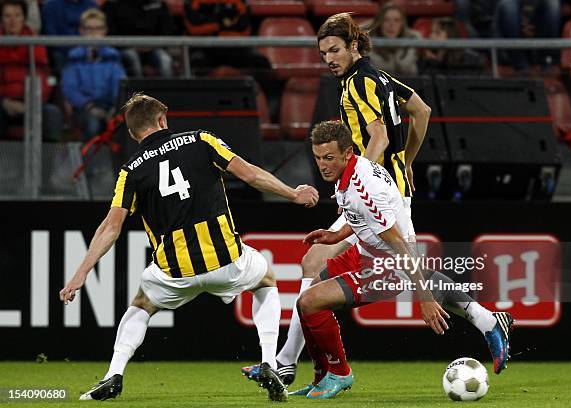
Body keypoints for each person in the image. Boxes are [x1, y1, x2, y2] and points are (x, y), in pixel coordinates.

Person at [59, 93, 320, 401]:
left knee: (141, 304)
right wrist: (293, 193)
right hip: (227, 260)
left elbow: (110, 228)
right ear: (162, 120)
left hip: (174, 272)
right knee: (266, 282)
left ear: (131, 133)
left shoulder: (130, 172)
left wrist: (80, 274)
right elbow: (249, 174)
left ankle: (113, 374)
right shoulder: (201, 140)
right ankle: (268, 362)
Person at [242, 11, 431, 386]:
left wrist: (359, 178)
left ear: (354, 46)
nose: (329, 59)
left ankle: (483, 317)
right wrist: (406, 161)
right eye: (323, 53)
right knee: (321, 260)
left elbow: (378, 136)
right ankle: (285, 362)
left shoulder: (357, 83)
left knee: (400, 266)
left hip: (375, 197)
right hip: (389, 191)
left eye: (334, 50)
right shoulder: (380, 77)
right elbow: (421, 111)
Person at [293, 120, 513, 398]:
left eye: (329, 158)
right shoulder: (349, 171)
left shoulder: (363, 187)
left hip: (389, 264)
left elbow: (398, 244)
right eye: (318, 158)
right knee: (308, 299)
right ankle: (322, 376)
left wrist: (424, 298)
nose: (323, 165)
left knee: (309, 301)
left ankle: (339, 373)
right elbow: (363, 217)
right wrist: (335, 236)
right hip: (367, 252)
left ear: (347, 153)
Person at [0, 0, 62, 142]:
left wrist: (31, 102)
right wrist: (4, 101)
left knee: (52, 114)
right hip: (4, 102)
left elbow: (45, 78)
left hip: (32, 100)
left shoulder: (35, 43)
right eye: (7, 16)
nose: (12, 21)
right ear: (1, 19)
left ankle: (46, 163)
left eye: (17, 15)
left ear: (24, 18)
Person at [62, 8, 125, 142]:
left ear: (104, 31)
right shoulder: (74, 56)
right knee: (93, 123)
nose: (94, 34)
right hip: (84, 108)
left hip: (110, 107)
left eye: (98, 29)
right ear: (82, 31)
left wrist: (115, 108)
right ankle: (88, 161)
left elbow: (120, 84)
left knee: (125, 123)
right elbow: (70, 89)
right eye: (89, 29)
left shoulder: (113, 56)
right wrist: (89, 106)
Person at [102, 0, 175, 78]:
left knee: (165, 59)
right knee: (133, 57)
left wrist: (152, 45)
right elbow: (110, 32)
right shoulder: (113, 3)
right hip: (124, 47)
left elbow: (167, 31)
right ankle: (138, 90)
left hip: (153, 47)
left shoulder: (158, 3)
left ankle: (166, 90)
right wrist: (129, 45)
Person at [42, 0, 97, 74]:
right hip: (61, 51)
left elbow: (97, 30)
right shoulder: (50, 6)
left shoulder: (92, 5)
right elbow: (51, 35)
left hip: (87, 49)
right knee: (57, 55)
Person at [368, 2, 420, 76]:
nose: (391, 25)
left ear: (402, 24)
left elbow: (405, 68)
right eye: (386, 20)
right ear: (379, 23)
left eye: (397, 20)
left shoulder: (413, 40)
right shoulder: (368, 43)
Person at [419, 17, 485, 75]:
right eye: (431, 32)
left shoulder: (473, 60)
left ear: (450, 35)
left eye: (437, 33)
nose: (431, 36)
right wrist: (436, 62)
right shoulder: (427, 62)